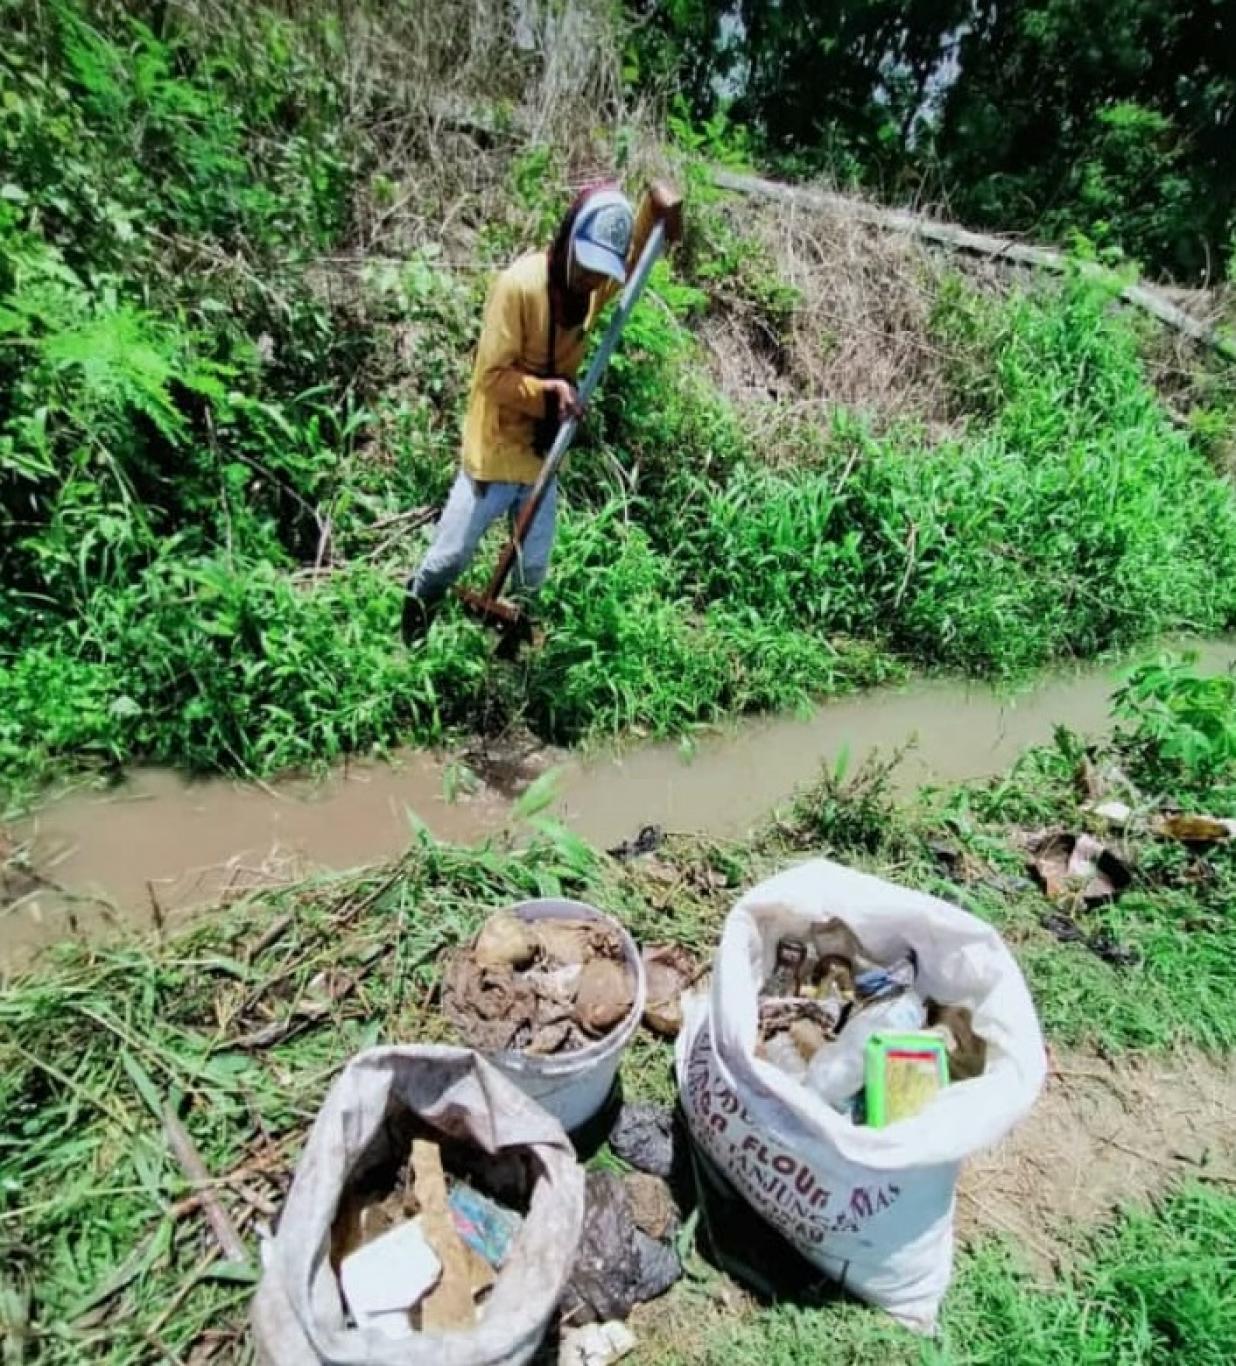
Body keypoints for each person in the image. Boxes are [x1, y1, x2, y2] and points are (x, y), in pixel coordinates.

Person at [401, 177, 683, 644]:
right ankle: (411, 627)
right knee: (449, 558)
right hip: (495, 447)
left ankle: (509, 659)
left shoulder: (590, 289)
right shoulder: (519, 286)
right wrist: (551, 392)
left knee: (532, 571)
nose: (593, 280)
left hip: (542, 453)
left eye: (600, 272)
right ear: (568, 242)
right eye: (587, 266)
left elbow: (632, 258)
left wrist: (658, 211)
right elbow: (490, 378)